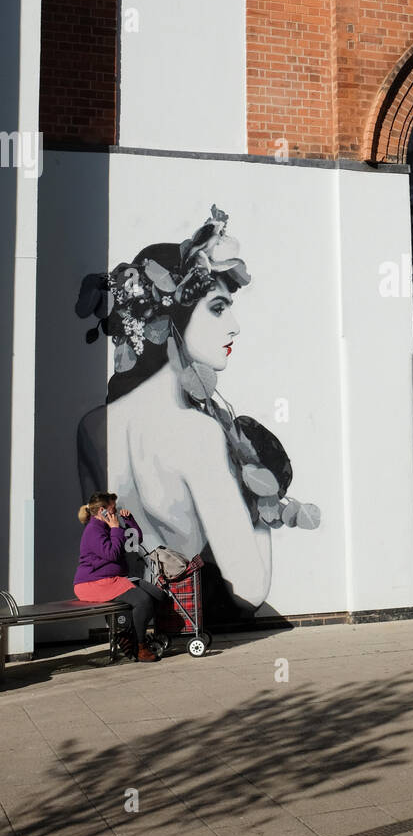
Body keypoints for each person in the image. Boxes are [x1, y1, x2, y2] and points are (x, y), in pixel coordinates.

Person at [75, 206, 320, 621]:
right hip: (189, 619)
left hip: (130, 608)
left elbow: (99, 539)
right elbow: (249, 590)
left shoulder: (92, 428)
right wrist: (260, 503)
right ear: (172, 319)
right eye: (218, 308)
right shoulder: (199, 436)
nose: (235, 326)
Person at [74, 492, 163, 662]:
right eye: (113, 508)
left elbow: (135, 540)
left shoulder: (108, 526)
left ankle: (129, 635)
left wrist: (130, 521)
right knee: (143, 601)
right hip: (92, 583)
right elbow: (112, 554)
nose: (116, 511)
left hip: (113, 580)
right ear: (102, 511)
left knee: (157, 595)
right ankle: (140, 646)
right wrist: (115, 529)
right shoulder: (93, 530)